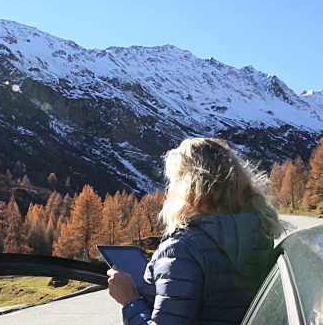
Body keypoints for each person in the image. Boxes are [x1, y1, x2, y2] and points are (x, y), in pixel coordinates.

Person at [107, 137, 284, 324]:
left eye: (174, 181)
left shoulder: (181, 249)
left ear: (188, 187)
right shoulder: (260, 235)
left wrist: (130, 301)